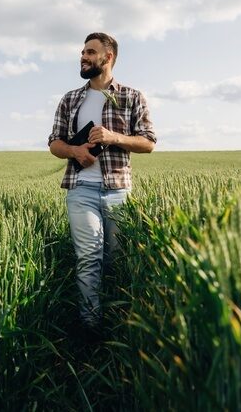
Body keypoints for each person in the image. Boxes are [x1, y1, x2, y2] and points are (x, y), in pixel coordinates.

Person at [47, 32, 157, 340]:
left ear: (107, 58)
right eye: (82, 51)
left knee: (116, 258)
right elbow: (54, 142)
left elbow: (148, 142)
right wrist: (74, 151)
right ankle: (91, 328)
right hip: (80, 189)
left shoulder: (132, 96)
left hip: (118, 190)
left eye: (90, 52)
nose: (83, 56)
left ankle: (120, 325)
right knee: (88, 256)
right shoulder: (70, 99)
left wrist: (113, 137)